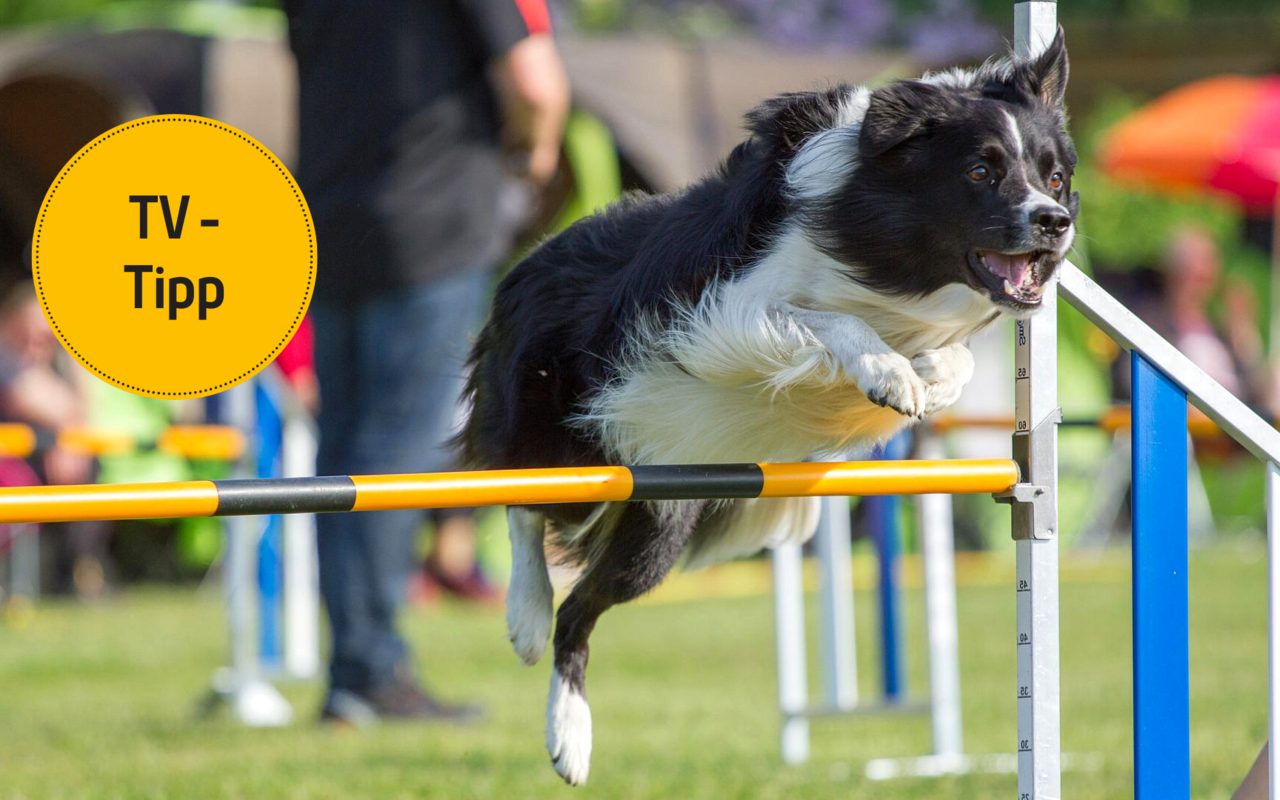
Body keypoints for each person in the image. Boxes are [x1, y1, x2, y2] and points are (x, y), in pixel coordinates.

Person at [283, 0, 570, 723]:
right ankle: (370, 672)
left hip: (329, 220)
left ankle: (355, 668)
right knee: (394, 450)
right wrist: (532, 160)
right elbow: (536, 85)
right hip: (431, 216)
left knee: (343, 452)